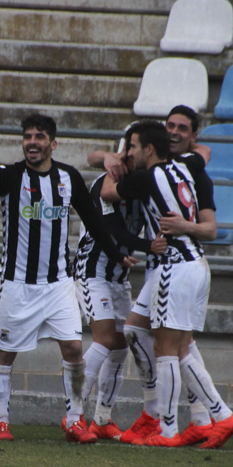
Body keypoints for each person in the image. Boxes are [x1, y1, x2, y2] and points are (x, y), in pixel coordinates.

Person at [0, 113, 138, 443]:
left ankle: (74, 420)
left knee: (73, 348)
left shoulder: (68, 178)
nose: (33, 141)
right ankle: (1, 421)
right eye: (28, 136)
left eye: (40, 136)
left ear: (52, 144)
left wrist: (117, 254)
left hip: (59, 283)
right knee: (4, 354)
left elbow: (94, 221)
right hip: (18, 284)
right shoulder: (12, 177)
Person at [101, 119, 233, 448]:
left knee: (168, 350)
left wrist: (116, 162)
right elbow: (202, 153)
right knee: (138, 329)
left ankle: (170, 429)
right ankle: (218, 416)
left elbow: (108, 191)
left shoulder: (149, 177)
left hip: (174, 267)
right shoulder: (183, 168)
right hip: (194, 264)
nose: (130, 154)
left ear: (149, 149)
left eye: (133, 148)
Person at [73, 123, 167, 441]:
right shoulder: (104, 182)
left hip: (120, 278)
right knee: (104, 339)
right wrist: (147, 247)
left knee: (121, 348)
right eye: (126, 152)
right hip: (92, 272)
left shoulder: (141, 184)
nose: (130, 157)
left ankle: (102, 418)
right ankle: (73, 413)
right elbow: (115, 231)